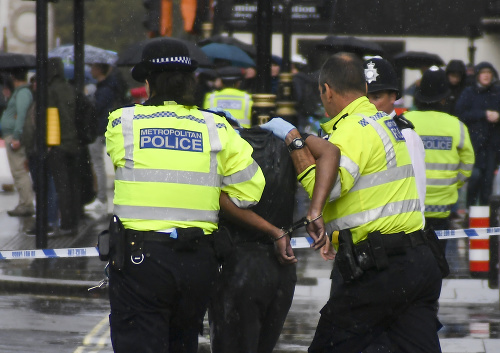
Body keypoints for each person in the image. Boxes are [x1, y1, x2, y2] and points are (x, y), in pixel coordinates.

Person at [262, 52, 444, 352]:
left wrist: (295, 143)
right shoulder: (384, 122)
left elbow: (329, 186)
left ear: (327, 90)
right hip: (417, 261)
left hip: (382, 269)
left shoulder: (354, 128)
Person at [105, 38, 267, 353]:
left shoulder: (122, 122)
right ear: (191, 81)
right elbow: (250, 192)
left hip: (141, 260)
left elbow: (118, 157)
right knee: (183, 342)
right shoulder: (217, 127)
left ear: (148, 82)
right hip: (198, 262)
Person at [208, 117, 299, 353]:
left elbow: (217, 198)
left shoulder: (222, 148)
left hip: (238, 266)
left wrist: (273, 232)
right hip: (281, 270)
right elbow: (328, 152)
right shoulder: (285, 143)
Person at [405, 66, 474, 248]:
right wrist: (453, 184)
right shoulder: (456, 126)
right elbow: (467, 164)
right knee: (437, 259)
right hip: (442, 206)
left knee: (411, 258)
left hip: (409, 205)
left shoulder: (404, 121)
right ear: (444, 98)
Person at [363, 57, 427, 223]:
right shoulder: (356, 131)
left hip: (395, 233)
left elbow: (417, 191)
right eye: (364, 98)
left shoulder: (405, 135)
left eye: (376, 97)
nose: (369, 104)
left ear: (393, 97)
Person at [45, 57, 82, 235]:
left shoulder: (51, 91)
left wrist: (50, 143)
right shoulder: (70, 88)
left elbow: (51, 117)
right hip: (73, 143)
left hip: (58, 144)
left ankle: (66, 225)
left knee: (62, 187)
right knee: (72, 184)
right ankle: (73, 221)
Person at [455, 62, 500, 208]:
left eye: (489, 72)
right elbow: (461, 113)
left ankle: (486, 218)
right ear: (478, 75)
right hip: (474, 143)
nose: (486, 75)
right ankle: (470, 211)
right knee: (474, 177)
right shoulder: (469, 92)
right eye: (483, 72)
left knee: (488, 182)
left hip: (492, 145)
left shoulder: (496, 92)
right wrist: (483, 114)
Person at [0, 68, 35, 217]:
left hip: (14, 137)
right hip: (11, 135)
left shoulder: (22, 93)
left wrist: (16, 136)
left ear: (14, 79)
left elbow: (21, 115)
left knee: (19, 171)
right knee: (17, 171)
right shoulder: (19, 93)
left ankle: (26, 203)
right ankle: (23, 202)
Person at [86, 62, 115, 213]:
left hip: (99, 130)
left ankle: (101, 198)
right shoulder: (106, 87)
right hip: (102, 128)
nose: (90, 70)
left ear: (99, 70)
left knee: (98, 164)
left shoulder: (104, 89)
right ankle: (101, 197)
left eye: (93, 67)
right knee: (99, 163)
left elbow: (97, 108)